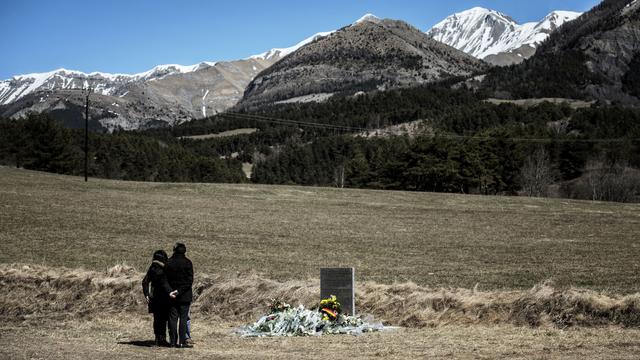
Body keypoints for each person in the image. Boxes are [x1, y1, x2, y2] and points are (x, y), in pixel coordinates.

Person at [141, 250, 173, 347]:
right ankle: (162, 339)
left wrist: (146, 294)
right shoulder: (165, 269)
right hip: (164, 297)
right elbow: (165, 283)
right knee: (164, 319)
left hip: (154, 297)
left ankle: (157, 339)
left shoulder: (152, 268)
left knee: (157, 319)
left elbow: (145, 282)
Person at [165, 242, 194, 348]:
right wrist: (179, 291)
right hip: (184, 295)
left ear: (174, 250)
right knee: (183, 319)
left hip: (171, 295)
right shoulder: (188, 263)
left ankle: (172, 342)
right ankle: (182, 342)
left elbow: (165, 280)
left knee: (172, 319)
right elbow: (189, 281)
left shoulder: (169, 262)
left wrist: (170, 291)